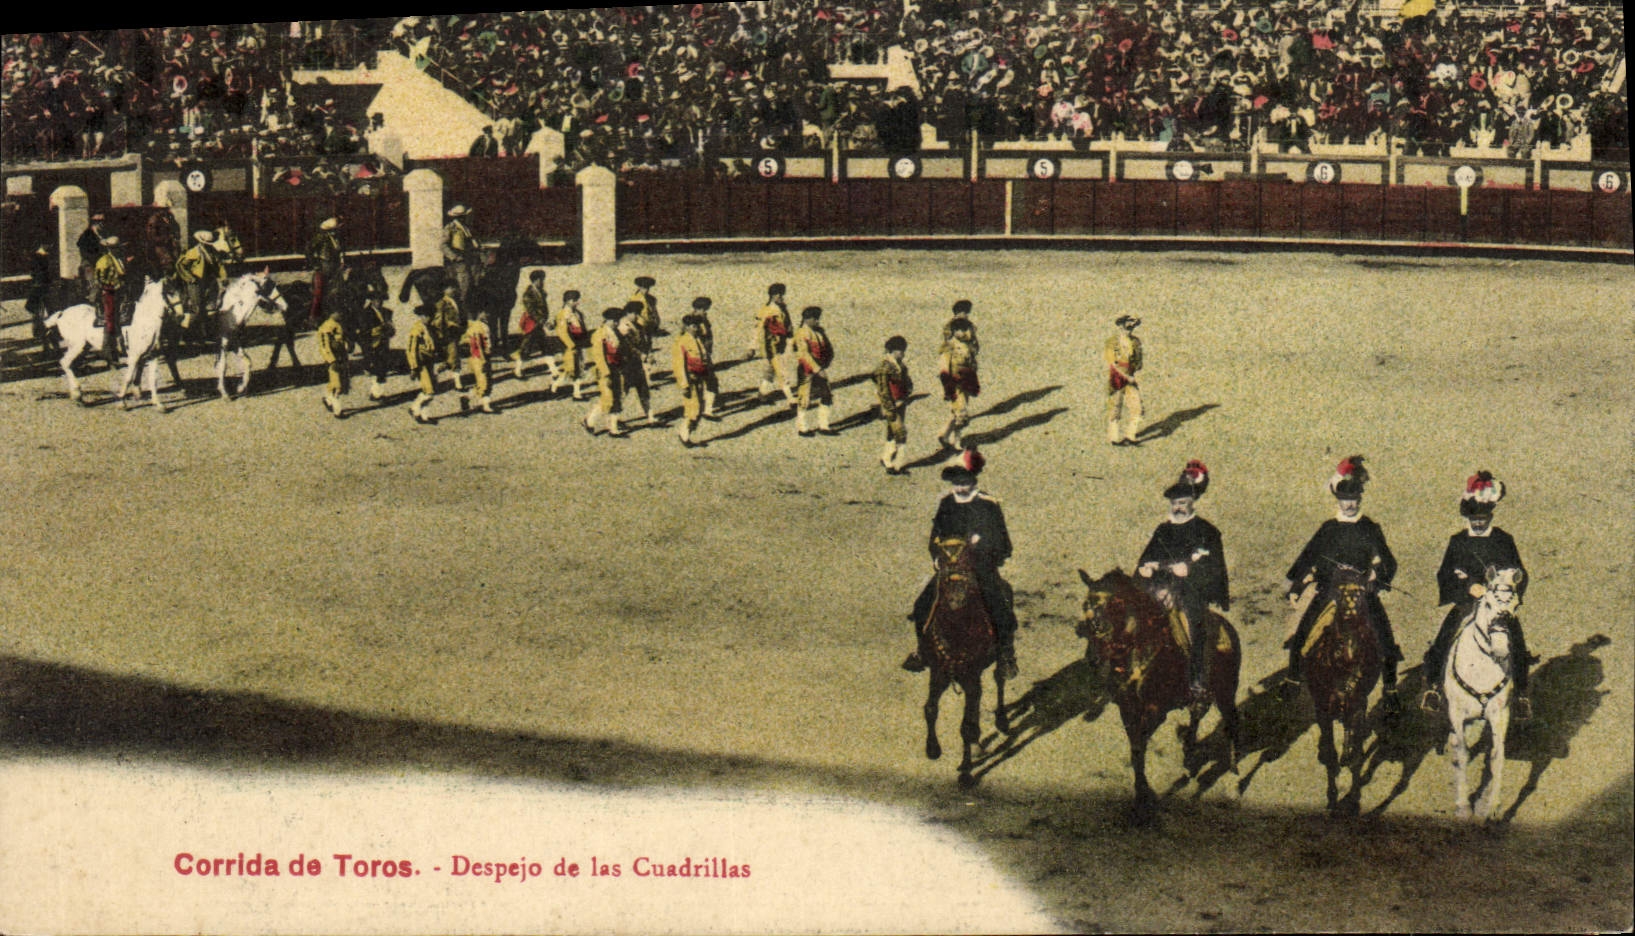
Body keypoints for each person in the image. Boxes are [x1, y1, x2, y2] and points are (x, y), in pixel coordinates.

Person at [1282, 456, 1404, 709]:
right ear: (1338, 501)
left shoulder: (1370, 527)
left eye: (1353, 500)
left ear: (1360, 500)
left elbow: (1389, 562)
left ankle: (1390, 688)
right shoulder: (1328, 528)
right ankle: (1292, 678)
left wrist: (1376, 574)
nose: (1349, 505)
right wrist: (1296, 588)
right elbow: (1307, 558)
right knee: (1303, 632)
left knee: (1385, 637)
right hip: (1330, 591)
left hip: (1362, 591)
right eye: (1344, 500)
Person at [1421, 471, 1533, 718]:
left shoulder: (1504, 540)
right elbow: (1444, 575)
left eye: (1483, 517)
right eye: (1474, 518)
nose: (1478, 522)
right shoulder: (1457, 541)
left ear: (1490, 515)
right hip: (1466, 604)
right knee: (1443, 639)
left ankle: (1522, 695)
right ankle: (1433, 689)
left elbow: (1520, 573)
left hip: (1497, 605)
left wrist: (1504, 592)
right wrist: (1467, 588)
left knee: (1517, 642)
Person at [902, 447, 1020, 679]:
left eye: (964, 480)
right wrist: (937, 557)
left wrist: (982, 545)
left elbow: (1003, 541)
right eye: (955, 481)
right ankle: (922, 651)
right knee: (921, 605)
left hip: (979, 568)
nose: (959, 486)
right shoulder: (946, 503)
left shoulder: (988, 504)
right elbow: (936, 535)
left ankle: (1006, 656)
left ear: (973, 479)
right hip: (950, 567)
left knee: (1000, 606)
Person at [1137, 460, 1230, 708]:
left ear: (1193, 501)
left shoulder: (1207, 531)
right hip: (1160, 589)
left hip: (1191, 590)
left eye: (1182, 502)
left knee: (1194, 626)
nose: (1178, 507)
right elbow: (1146, 559)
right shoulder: (1162, 530)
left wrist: (1190, 569)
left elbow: (1216, 568)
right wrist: (1145, 568)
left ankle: (1197, 682)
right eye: (1174, 502)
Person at [938, 302, 980, 450]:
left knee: (958, 409)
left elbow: (975, 350)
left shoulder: (968, 336)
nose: (963, 333)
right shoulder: (949, 342)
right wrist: (947, 386)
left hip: (966, 378)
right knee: (961, 412)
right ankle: (957, 441)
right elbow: (944, 367)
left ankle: (944, 434)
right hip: (955, 380)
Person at [584, 306, 629, 437]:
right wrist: (606, 373)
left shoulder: (616, 333)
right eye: (615, 320)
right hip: (605, 370)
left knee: (617, 398)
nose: (617, 323)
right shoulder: (599, 334)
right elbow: (599, 356)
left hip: (617, 368)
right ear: (608, 320)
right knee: (607, 399)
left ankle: (613, 428)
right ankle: (589, 420)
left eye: (618, 320)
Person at [792, 305, 835, 437]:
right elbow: (805, 355)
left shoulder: (819, 331)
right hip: (807, 369)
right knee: (804, 398)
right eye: (815, 318)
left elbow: (828, 348)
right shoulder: (801, 333)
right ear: (807, 319)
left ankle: (823, 425)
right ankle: (802, 427)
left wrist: (826, 362)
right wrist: (818, 369)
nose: (817, 321)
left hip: (819, 368)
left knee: (826, 395)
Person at [174, 229, 223, 343]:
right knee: (197, 310)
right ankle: (187, 334)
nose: (208, 246)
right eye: (206, 244)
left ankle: (207, 333)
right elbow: (180, 265)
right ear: (201, 242)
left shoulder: (212, 252)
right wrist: (189, 278)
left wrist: (223, 277)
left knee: (210, 308)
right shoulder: (194, 252)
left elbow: (219, 265)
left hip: (208, 282)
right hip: (195, 283)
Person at [671, 313, 712, 447]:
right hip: (689, 379)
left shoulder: (698, 340)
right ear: (688, 327)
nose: (697, 328)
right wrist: (684, 384)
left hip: (699, 378)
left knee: (698, 409)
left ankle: (685, 433)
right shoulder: (682, 342)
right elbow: (679, 365)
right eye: (694, 326)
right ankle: (684, 435)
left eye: (698, 326)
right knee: (693, 409)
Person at [874, 335, 913, 475]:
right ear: (893, 350)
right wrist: (889, 407)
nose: (903, 353)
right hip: (892, 404)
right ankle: (897, 464)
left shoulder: (900, 365)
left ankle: (886, 458)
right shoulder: (885, 367)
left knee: (892, 432)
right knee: (900, 433)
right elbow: (883, 390)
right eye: (901, 350)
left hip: (901, 402)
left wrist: (907, 394)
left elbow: (908, 382)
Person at [754, 282, 796, 405]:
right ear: (772, 295)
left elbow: (788, 325)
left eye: (782, 294)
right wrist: (753, 346)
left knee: (770, 371)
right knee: (781, 371)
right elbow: (758, 328)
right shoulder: (767, 310)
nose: (781, 297)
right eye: (779, 294)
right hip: (771, 345)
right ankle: (791, 399)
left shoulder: (781, 307)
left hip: (779, 343)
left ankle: (761, 395)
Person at [1105, 314, 1143, 445]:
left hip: (1130, 378)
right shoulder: (1112, 342)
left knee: (1137, 407)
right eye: (1127, 327)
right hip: (1117, 378)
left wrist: (1134, 369)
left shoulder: (1136, 342)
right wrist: (1126, 376)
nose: (1129, 330)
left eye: (1132, 327)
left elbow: (1139, 361)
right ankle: (1114, 437)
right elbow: (1112, 362)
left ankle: (1130, 435)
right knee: (1115, 407)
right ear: (1120, 326)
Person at [509, 269, 551, 378]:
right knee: (526, 348)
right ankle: (517, 370)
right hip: (531, 325)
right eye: (541, 280)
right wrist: (542, 320)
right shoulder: (528, 294)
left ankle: (554, 370)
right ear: (536, 280)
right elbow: (531, 310)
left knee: (545, 347)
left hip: (538, 325)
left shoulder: (540, 292)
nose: (543, 282)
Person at [550, 289, 591, 399]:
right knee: (570, 369)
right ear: (568, 301)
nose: (577, 302)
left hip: (577, 344)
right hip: (570, 346)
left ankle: (576, 393)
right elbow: (562, 332)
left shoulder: (577, 313)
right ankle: (555, 386)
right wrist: (571, 345)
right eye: (575, 300)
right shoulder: (563, 314)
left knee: (578, 368)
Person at [92, 235, 126, 367]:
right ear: (109, 249)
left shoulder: (119, 259)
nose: (117, 250)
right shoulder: (104, 261)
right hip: (109, 294)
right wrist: (111, 286)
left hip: (119, 293)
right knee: (110, 322)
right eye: (114, 248)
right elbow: (98, 280)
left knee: (118, 319)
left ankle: (116, 350)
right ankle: (108, 353)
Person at [404, 303, 439, 424]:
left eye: (430, 316)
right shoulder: (417, 329)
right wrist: (413, 366)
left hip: (430, 362)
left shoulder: (430, 327)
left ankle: (424, 416)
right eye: (425, 316)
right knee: (429, 391)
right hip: (421, 363)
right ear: (421, 316)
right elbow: (411, 349)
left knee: (430, 389)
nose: (428, 318)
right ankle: (414, 408)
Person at [306, 216, 344, 325]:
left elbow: (340, 253)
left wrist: (342, 262)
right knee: (319, 293)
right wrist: (315, 265)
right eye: (334, 230)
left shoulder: (337, 239)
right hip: (323, 269)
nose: (336, 232)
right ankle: (313, 317)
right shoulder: (321, 238)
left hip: (336, 269)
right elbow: (308, 250)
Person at [459, 312, 497, 414]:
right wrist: (483, 360)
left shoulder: (479, 326)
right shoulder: (479, 328)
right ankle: (482, 404)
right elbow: (478, 347)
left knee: (486, 382)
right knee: (484, 382)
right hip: (479, 358)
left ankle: (471, 399)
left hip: (481, 357)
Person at [431, 282, 466, 391]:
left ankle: (436, 371)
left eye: (453, 288)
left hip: (456, 334)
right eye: (450, 288)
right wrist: (442, 334)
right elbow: (438, 321)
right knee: (455, 358)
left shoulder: (456, 302)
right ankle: (458, 383)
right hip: (448, 334)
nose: (453, 290)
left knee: (451, 358)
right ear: (444, 290)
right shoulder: (442, 303)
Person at [316, 304, 350, 418]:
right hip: (333, 359)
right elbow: (324, 346)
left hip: (342, 356)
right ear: (331, 313)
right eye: (337, 312)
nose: (340, 314)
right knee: (337, 385)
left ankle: (328, 400)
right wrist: (331, 360)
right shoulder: (326, 327)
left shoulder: (340, 324)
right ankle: (338, 411)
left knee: (337, 382)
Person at [361, 291, 396, 400]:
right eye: (376, 300)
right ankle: (376, 393)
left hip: (384, 344)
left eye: (381, 300)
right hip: (371, 344)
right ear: (371, 301)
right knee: (375, 368)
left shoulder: (387, 312)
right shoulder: (365, 314)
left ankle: (376, 393)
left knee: (382, 368)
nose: (379, 302)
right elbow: (364, 332)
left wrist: (390, 330)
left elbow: (392, 329)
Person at [441, 205, 479, 305]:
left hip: (469, 257)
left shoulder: (466, 228)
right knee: (465, 279)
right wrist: (454, 257)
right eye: (463, 216)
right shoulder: (450, 228)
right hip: (458, 260)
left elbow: (472, 241)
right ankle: (461, 302)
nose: (465, 218)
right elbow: (443, 245)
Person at [690, 296, 719, 418]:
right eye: (704, 309)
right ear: (699, 309)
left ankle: (704, 409)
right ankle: (705, 410)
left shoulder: (699, 319)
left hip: (703, 355)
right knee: (707, 383)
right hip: (699, 357)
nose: (706, 311)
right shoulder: (695, 322)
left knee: (706, 382)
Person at [628, 275, 660, 379]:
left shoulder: (651, 299)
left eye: (647, 288)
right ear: (639, 287)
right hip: (640, 328)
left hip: (649, 328)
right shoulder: (634, 299)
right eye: (643, 288)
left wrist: (656, 323)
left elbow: (654, 313)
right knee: (640, 350)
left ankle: (647, 374)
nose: (645, 290)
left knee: (648, 349)